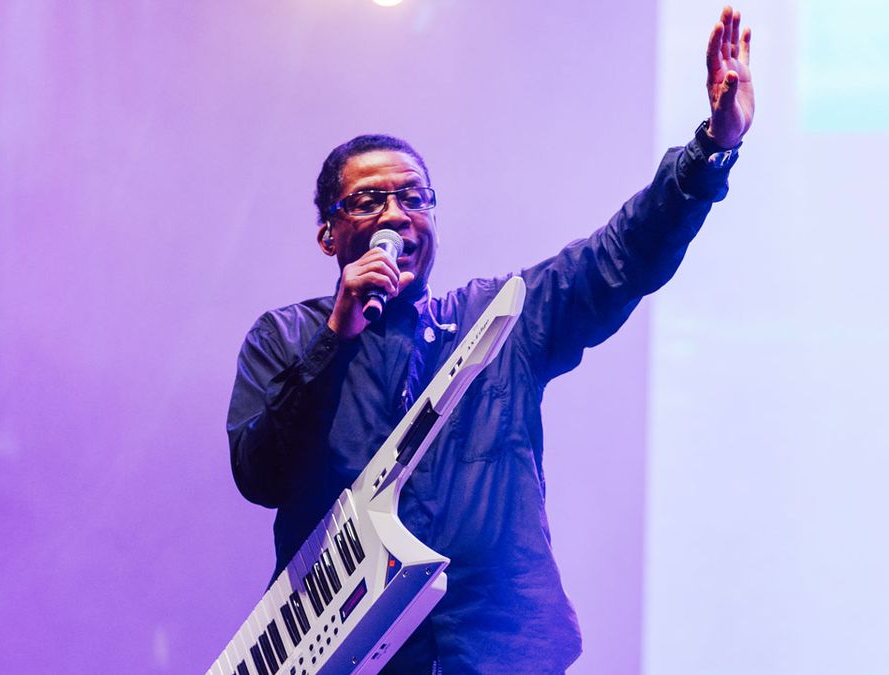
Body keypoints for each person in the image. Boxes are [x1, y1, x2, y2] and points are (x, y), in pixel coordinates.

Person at [227, 6, 753, 673]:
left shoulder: (495, 319)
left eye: (414, 197)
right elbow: (260, 473)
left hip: (496, 650)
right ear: (329, 234)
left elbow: (621, 257)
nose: (396, 214)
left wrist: (710, 148)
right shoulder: (287, 336)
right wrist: (338, 334)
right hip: (358, 657)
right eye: (368, 201)